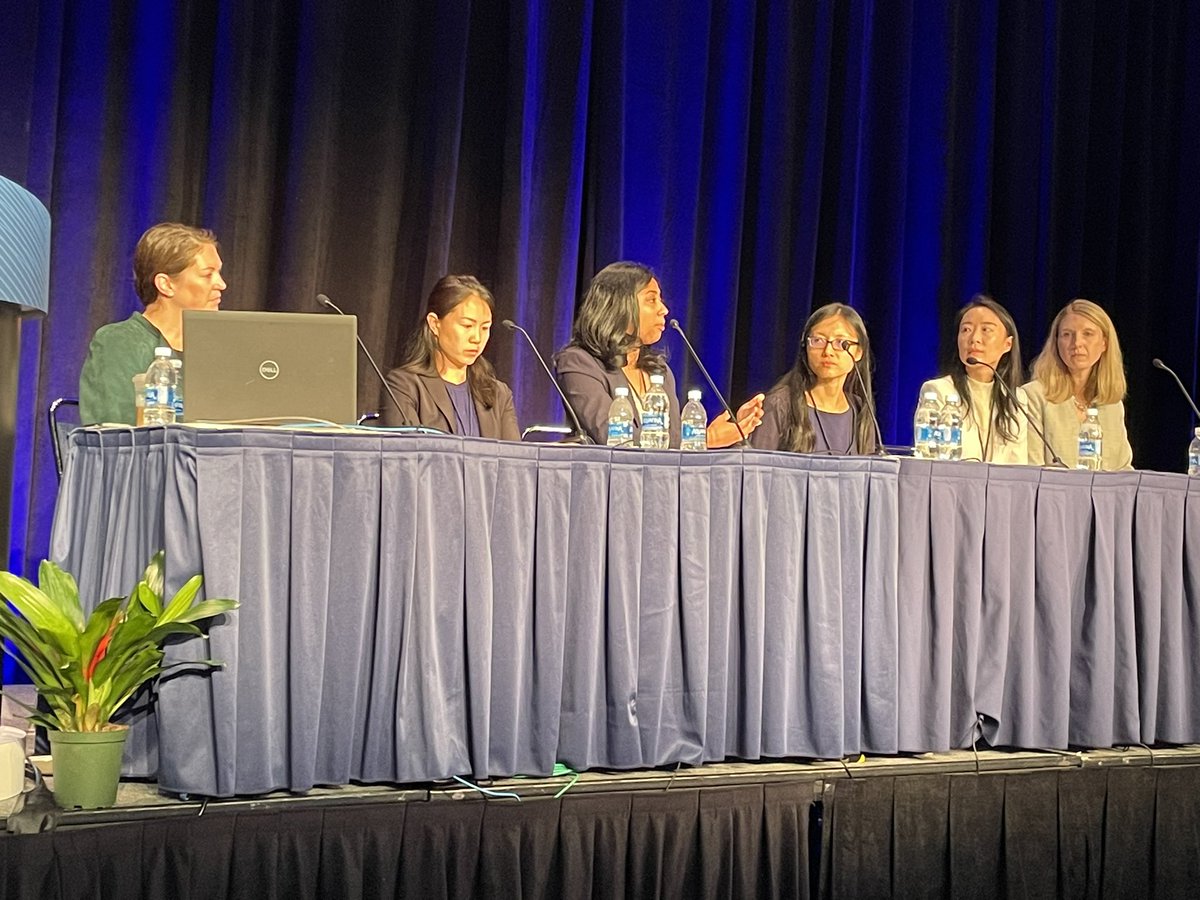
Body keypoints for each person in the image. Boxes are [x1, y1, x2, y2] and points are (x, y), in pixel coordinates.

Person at [554, 261, 763, 447]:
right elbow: (614, 438)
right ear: (618, 306)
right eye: (651, 300)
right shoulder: (579, 362)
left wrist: (726, 430)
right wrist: (706, 437)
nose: (663, 310)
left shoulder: (658, 370)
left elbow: (672, 440)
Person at [79, 223, 225, 424]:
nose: (221, 284)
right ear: (166, 284)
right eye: (208, 274)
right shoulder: (118, 343)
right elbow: (114, 435)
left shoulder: (217, 349)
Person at [381, 274, 519, 439]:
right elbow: (406, 456)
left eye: (484, 328)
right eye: (467, 325)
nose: (476, 338)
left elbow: (514, 461)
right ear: (434, 324)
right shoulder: (404, 386)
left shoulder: (499, 395)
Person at [751, 302, 878, 454]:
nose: (828, 351)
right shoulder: (780, 405)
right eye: (818, 341)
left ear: (858, 353)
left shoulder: (860, 410)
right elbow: (758, 470)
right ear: (806, 348)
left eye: (841, 343)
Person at [916, 294, 1028, 464]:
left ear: (1008, 344)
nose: (974, 339)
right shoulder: (939, 391)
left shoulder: (1016, 399)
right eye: (966, 330)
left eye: (986, 330)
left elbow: (1019, 467)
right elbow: (930, 460)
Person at [1023, 298, 1133, 469]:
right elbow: (1031, 469)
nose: (1077, 343)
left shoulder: (1112, 405)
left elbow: (1124, 470)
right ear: (1056, 342)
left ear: (1104, 343)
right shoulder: (1034, 396)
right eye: (1067, 335)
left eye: (1087, 334)